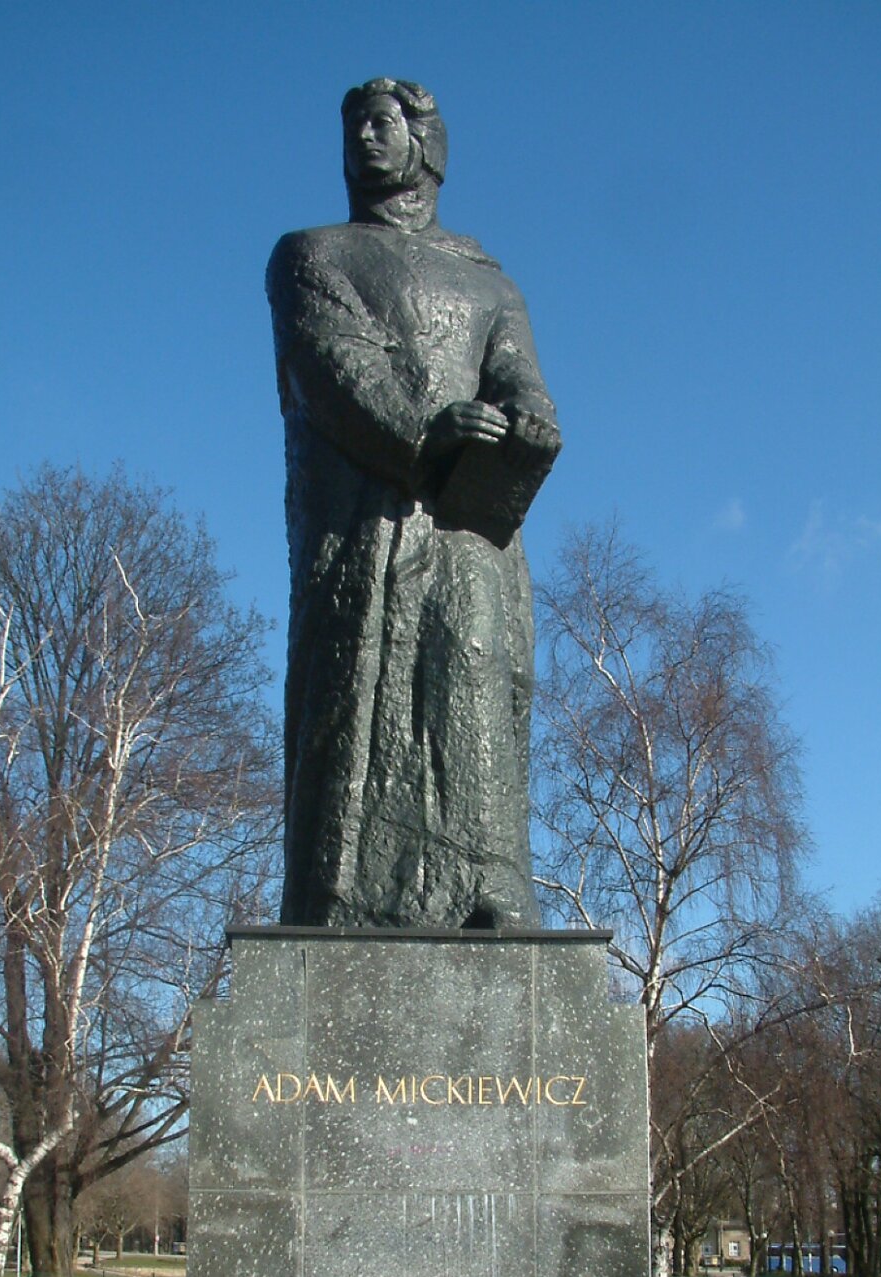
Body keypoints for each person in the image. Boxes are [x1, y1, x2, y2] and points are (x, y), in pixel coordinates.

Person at [268, 78, 560, 928]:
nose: (364, 137)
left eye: (382, 123)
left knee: (472, 672)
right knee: (353, 692)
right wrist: (424, 432)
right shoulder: (310, 254)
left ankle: (488, 888)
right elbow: (332, 368)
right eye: (354, 125)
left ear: (426, 143)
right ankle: (339, 899)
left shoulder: (490, 284)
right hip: (363, 523)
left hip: (470, 523)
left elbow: (520, 381)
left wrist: (529, 424)